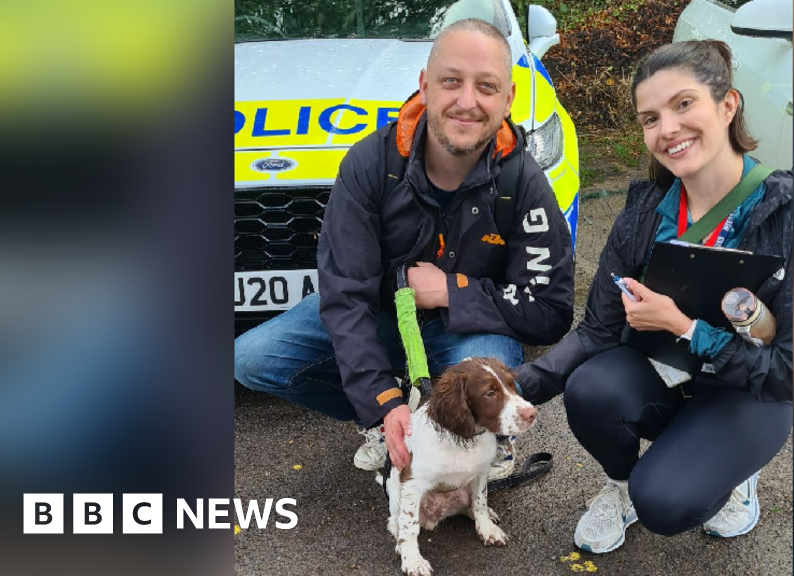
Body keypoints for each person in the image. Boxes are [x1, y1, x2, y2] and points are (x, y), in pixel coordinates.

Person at [234, 18, 574, 481]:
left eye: (486, 86)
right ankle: (390, 424)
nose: (466, 101)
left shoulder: (524, 181)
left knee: (488, 364)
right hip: (382, 316)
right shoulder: (369, 162)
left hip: (470, 330)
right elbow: (345, 295)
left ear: (508, 98)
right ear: (424, 85)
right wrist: (382, 402)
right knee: (252, 359)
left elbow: (550, 311)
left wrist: (452, 291)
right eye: (450, 81)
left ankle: (475, 436)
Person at [515, 40, 793, 553]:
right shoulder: (645, 212)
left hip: (749, 393)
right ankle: (620, 487)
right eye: (650, 118)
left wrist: (683, 327)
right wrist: (514, 388)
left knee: (664, 502)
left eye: (683, 104)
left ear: (727, 106)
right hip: (665, 375)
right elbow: (597, 331)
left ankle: (735, 474)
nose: (667, 129)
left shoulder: (788, 217)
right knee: (591, 389)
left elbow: (790, 371)